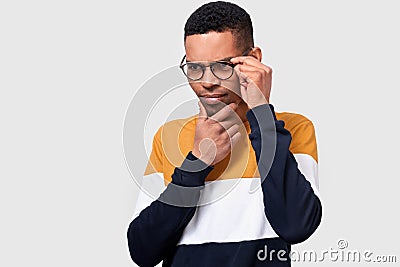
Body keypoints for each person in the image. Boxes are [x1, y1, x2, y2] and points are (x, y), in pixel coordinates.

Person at [127, 1, 322, 266]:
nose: (207, 82)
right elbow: (143, 251)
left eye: (221, 66)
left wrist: (262, 116)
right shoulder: (169, 135)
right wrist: (197, 162)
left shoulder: (293, 129)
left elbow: (296, 226)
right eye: (195, 68)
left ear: (253, 59)